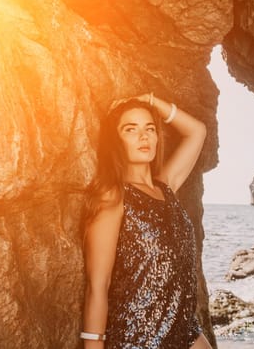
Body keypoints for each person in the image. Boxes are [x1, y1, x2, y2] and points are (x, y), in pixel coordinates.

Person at [81, 92, 212, 349]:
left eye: (149, 128)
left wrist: (152, 101)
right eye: (130, 129)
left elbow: (197, 131)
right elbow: (98, 286)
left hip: (185, 333)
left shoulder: (167, 188)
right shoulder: (114, 197)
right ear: (115, 140)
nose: (143, 136)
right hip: (138, 341)